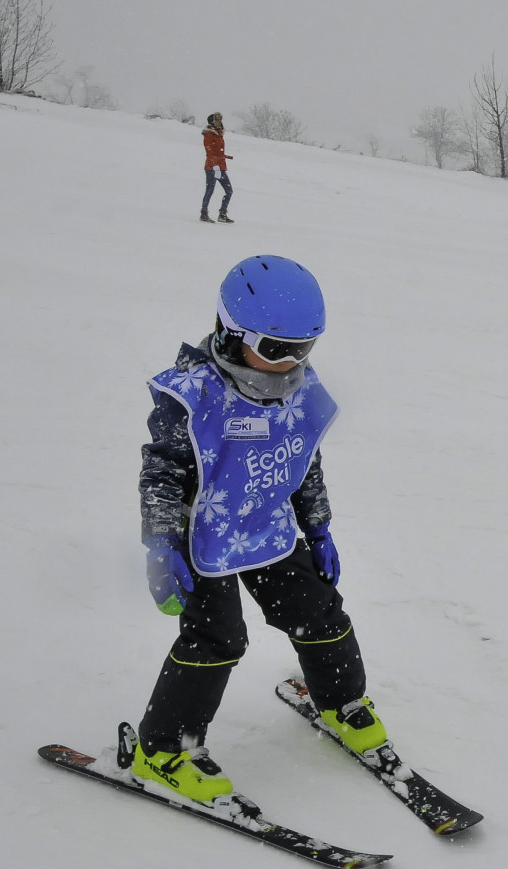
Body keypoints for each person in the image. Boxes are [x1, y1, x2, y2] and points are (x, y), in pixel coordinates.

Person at [132, 255, 383, 803]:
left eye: (302, 348)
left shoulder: (297, 389)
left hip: (267, 527)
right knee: (218, 638)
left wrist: (318, 528)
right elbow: (162, 473)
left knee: (319, 610)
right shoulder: (193, 396)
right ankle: (162, 749)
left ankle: (340, 701)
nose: (289, 363)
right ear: (230, 332)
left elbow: (303, 460)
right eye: (274, 348)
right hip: (205, 539)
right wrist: (162, 543)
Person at [201, 112, 233, 223]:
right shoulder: (209, 134)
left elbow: (218, 151)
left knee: (229, 191)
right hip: (212, 167)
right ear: (212, 121)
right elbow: (209, 151)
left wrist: (224, 157)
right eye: (217, 119)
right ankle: (204, 213)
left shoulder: (219, 134)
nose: (219, 122)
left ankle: (222, 214)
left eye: (220, 119)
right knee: (210, 190)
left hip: (221, 167)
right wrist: (215, 166)